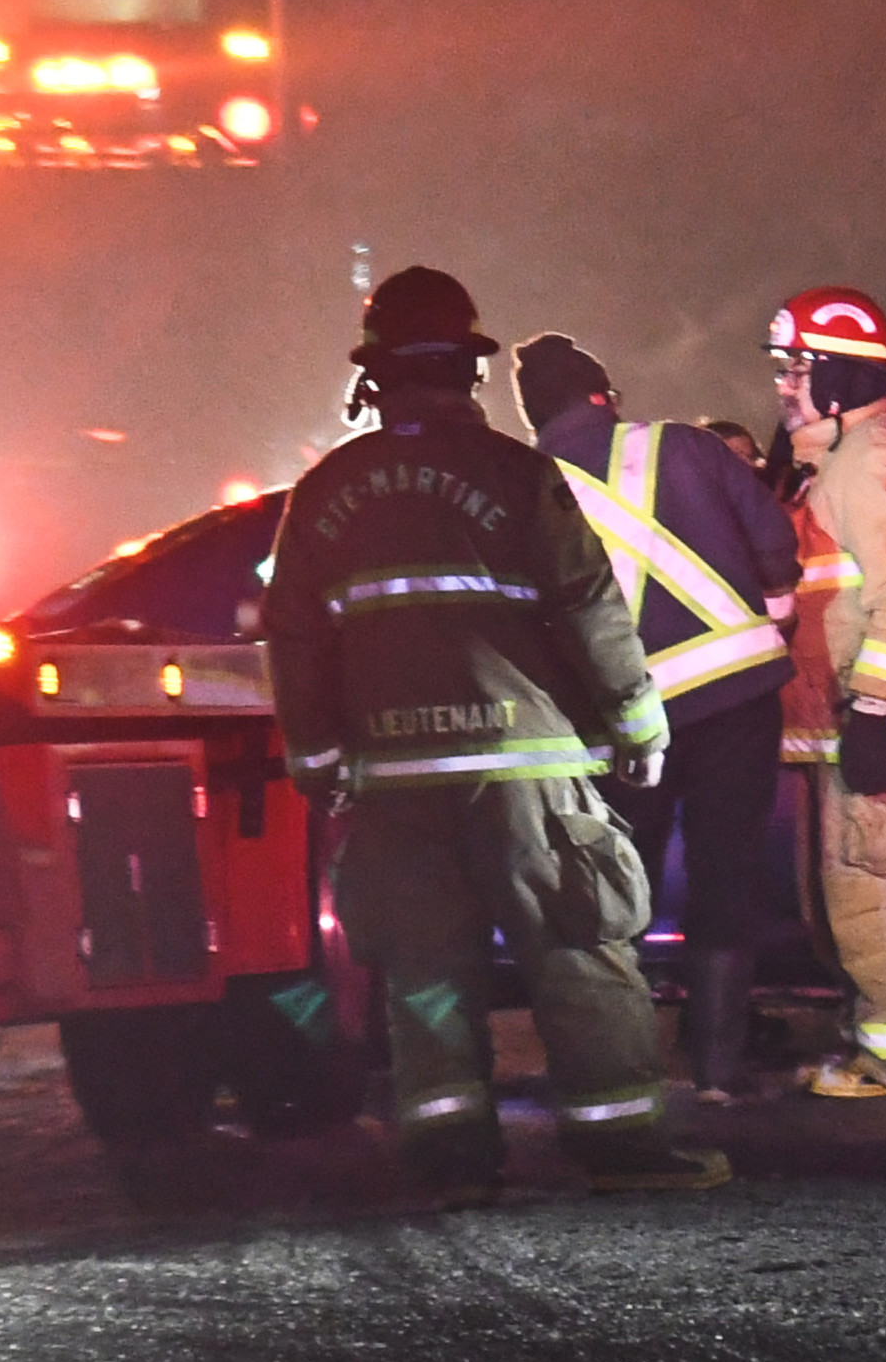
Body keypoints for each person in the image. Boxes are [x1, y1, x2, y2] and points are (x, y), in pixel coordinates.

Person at [264, 267, 727, 1202]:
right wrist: (639, 728)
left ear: (376, 377)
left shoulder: (323, 492)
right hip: (528, 768)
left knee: (424, 969)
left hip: (394, 779)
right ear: (469, 371)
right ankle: (621, 1147)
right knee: (577, 949)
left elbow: (296, 637)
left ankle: (449, 1161)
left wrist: (316, 762)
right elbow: (588, 609)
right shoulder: (520, 477)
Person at [514, 335, 797, 1100]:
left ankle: (617, 1069)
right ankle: (716, 1071)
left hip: (626, 721)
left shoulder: (528, 485)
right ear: (604, 395)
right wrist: (768, 620)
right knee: (725, 879)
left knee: (615, 888)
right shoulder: (690, 447)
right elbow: (777, 549)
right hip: (737, 699)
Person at [765, 286, 886, 1096]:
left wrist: (876, 709)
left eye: (796, 368)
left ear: (839, 378)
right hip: (850, 725)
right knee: (853, 903)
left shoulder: (874, 460)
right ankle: (877, 1050)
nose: (782, 384)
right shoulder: (844, 463)